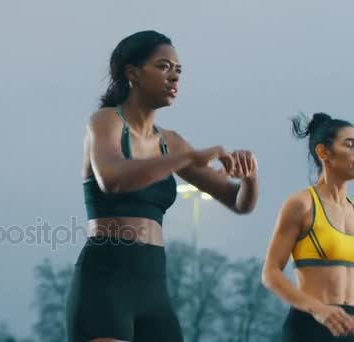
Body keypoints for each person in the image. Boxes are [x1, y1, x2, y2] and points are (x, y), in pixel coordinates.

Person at [65, 30, 259, 342]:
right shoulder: (105, 121)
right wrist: (189, 159)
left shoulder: (172, 143)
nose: (174, 77)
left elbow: (237, 201)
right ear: (133, 73)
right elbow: (112, 178)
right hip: (105, 282)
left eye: (178, 71)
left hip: (155, 288)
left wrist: (249, 177)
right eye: (164, 67)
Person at [262, 113, 354, 341]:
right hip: (310, 328)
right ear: (323, 152)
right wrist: (319, 310)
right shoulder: (301, 204)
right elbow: (271, 273)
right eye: (350, 145)